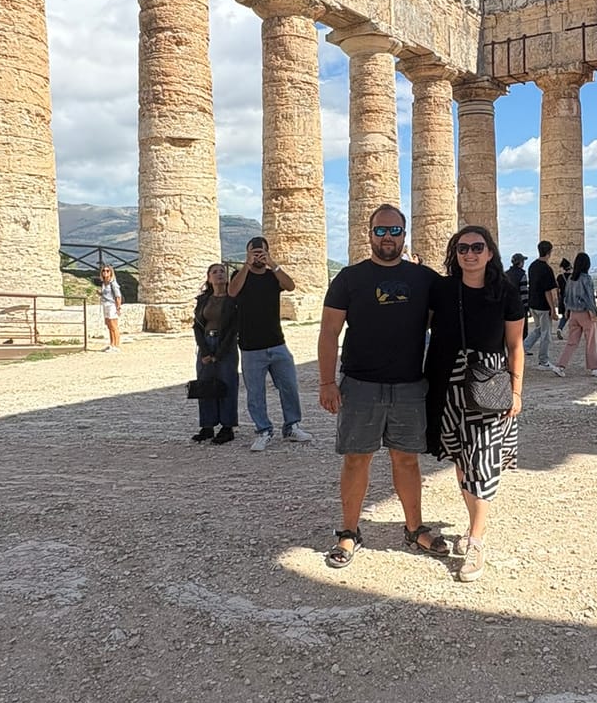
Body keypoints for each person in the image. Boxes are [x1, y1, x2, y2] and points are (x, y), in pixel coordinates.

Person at [317, 204, 448, 569]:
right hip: (360, 385)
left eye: (394, 231)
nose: (387, 237)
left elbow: (452, 317)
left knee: (406, 460)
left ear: (405, 236)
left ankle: (414, 528)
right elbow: (329, 332)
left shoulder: (425, 279)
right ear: (369, 234)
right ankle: (348, 532)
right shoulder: (349, 278)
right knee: (356, 459)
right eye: (380, 231)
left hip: (409, 385)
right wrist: (327, 381)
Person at [425, 225, 524, 582]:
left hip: (488, 383)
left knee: (483, 461)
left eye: (477, 247)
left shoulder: (506, 293)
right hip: (446, 383)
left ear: (490, 252)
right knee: (461, 458)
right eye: (462, 248)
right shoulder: (441, 289)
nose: (470, 253)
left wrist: (517, 390)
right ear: (455, 254)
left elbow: (515, 345)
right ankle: (472, 527)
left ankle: (477, 540)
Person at [229, 236, 313, 451]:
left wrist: (273, 264)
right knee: (255, 393)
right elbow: (232, 292)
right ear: (247, 253)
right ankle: (263, 430)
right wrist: (247, 266)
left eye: (261, 252)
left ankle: (292, 426)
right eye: (253, 252)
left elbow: (290, 286)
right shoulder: (240, 276)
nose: (258, 255)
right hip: (250, 346)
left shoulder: (271, 276)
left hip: (277, 342)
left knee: (289, 387)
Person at [191, 262, 239, 444]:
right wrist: (204, 350)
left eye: (222, 271)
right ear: (209, 278)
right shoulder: (204, 299)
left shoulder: (233, 300)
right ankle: (207, 426)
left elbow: (234, 328)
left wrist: (219, 353)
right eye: (215, 272)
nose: (219, 274)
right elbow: (197, 325)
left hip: (225, 344)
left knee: (227, 383)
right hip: (206, 341)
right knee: (205, 385)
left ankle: (227, 427)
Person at [549, 252, 597, 377]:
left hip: (573, 314)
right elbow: (588, 297)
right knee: (591, 341)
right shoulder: (586, 278)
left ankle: (560, 366)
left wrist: (567, 310)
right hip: (584, 313)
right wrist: (593, 312)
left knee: (571, 342)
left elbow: (566, 296)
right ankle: (594, 367)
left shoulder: (571, 278)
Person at [523, 240, 558, 368]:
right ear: (549, 252)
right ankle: (543, 361)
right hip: (543, 306)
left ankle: (523, 348)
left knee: (538, 330)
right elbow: (548, 291)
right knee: (546, 334)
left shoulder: (532, 266)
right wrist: (552, 309)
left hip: (533, 304)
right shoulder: (547, 269)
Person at [97, 264, 123, 351]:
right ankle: (112, 344)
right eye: (104, 271)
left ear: (111, 272)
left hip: (112, 305)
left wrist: (118, 307)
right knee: (109, 325)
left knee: (113, 325)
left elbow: (118, 296)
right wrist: (100, 293)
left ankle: (116, 345)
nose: (105, 272)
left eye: (107, 271)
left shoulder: (113, 283)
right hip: (105, 305)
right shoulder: (104, 283)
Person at [505, 252, 530, 327]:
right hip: (519, 307)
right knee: (523, 330)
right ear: (520, 263)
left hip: (507, 306)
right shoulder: (522, 275)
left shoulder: (505, 274)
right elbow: (524, 293)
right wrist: (526, 307)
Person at [555, 258, 572, 338]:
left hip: (562, 298)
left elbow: (557, 289)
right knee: (572, 316)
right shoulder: (573, 277)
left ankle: (560, 328)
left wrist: (558, 298)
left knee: (564, 316)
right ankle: (572, 332)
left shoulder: (559, 277)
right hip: (571, 298)